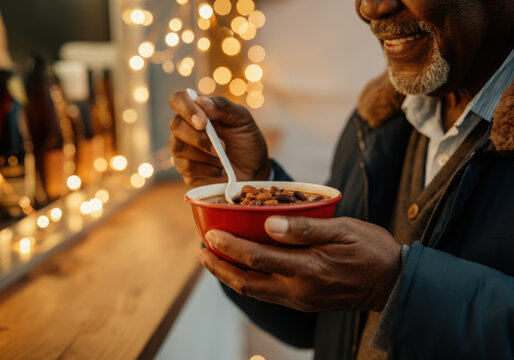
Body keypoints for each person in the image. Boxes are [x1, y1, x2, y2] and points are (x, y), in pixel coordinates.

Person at [168, 0, 514, 358]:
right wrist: (250, 192)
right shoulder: (377, 120)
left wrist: (396, 286)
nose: (371, 8)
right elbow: (321, 319)